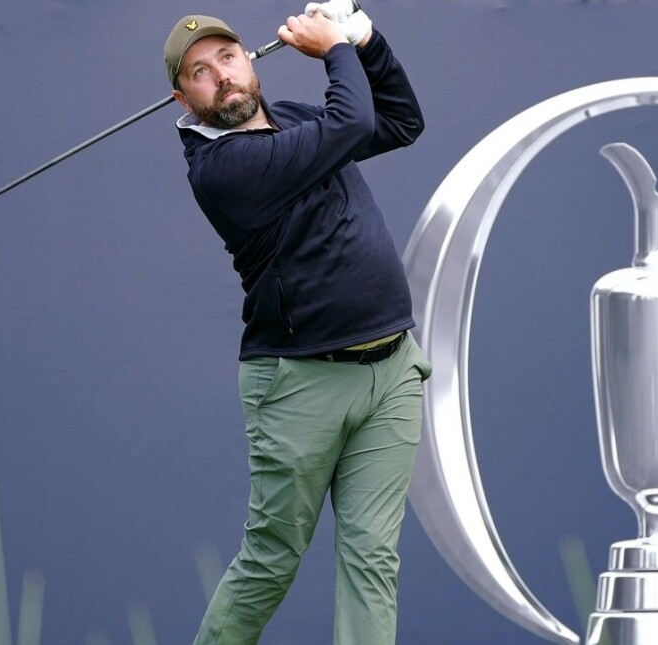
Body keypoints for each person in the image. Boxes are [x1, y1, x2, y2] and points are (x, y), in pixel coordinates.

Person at [163, 4, 430, 644]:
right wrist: (336, 48)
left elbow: (399, 120)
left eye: (227, 58)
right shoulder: (221, 169)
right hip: (297, 383)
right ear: (184, 97)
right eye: (200, 72)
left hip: (393, 371)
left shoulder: (300, 119)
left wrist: (366, 38)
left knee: (373, 559)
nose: (220, 76)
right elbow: (354, 118)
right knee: (272, 559)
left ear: (249, 60)